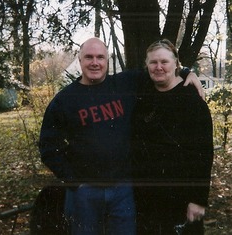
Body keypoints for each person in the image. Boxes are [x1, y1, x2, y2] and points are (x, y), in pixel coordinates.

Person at [39, 37, 204, 235]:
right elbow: (48, 146)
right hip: (85, 193)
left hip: (123, 191)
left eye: (100, 57)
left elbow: (159, 69)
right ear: (80, 60)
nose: (95, 62)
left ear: (107, 60)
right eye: (89, 57)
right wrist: (73, 180)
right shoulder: (65, 100)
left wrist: (188, 72)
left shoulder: (124, 84)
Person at [131, 39, 214, 235]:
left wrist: (198, 200)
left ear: (176, 63)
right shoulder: (143, 95)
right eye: (153, 62)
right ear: (147, 65)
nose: (158, 67)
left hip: (182, 199)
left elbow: (203, 154)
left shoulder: (193, 102)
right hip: (147, 198)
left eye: (164, 62)